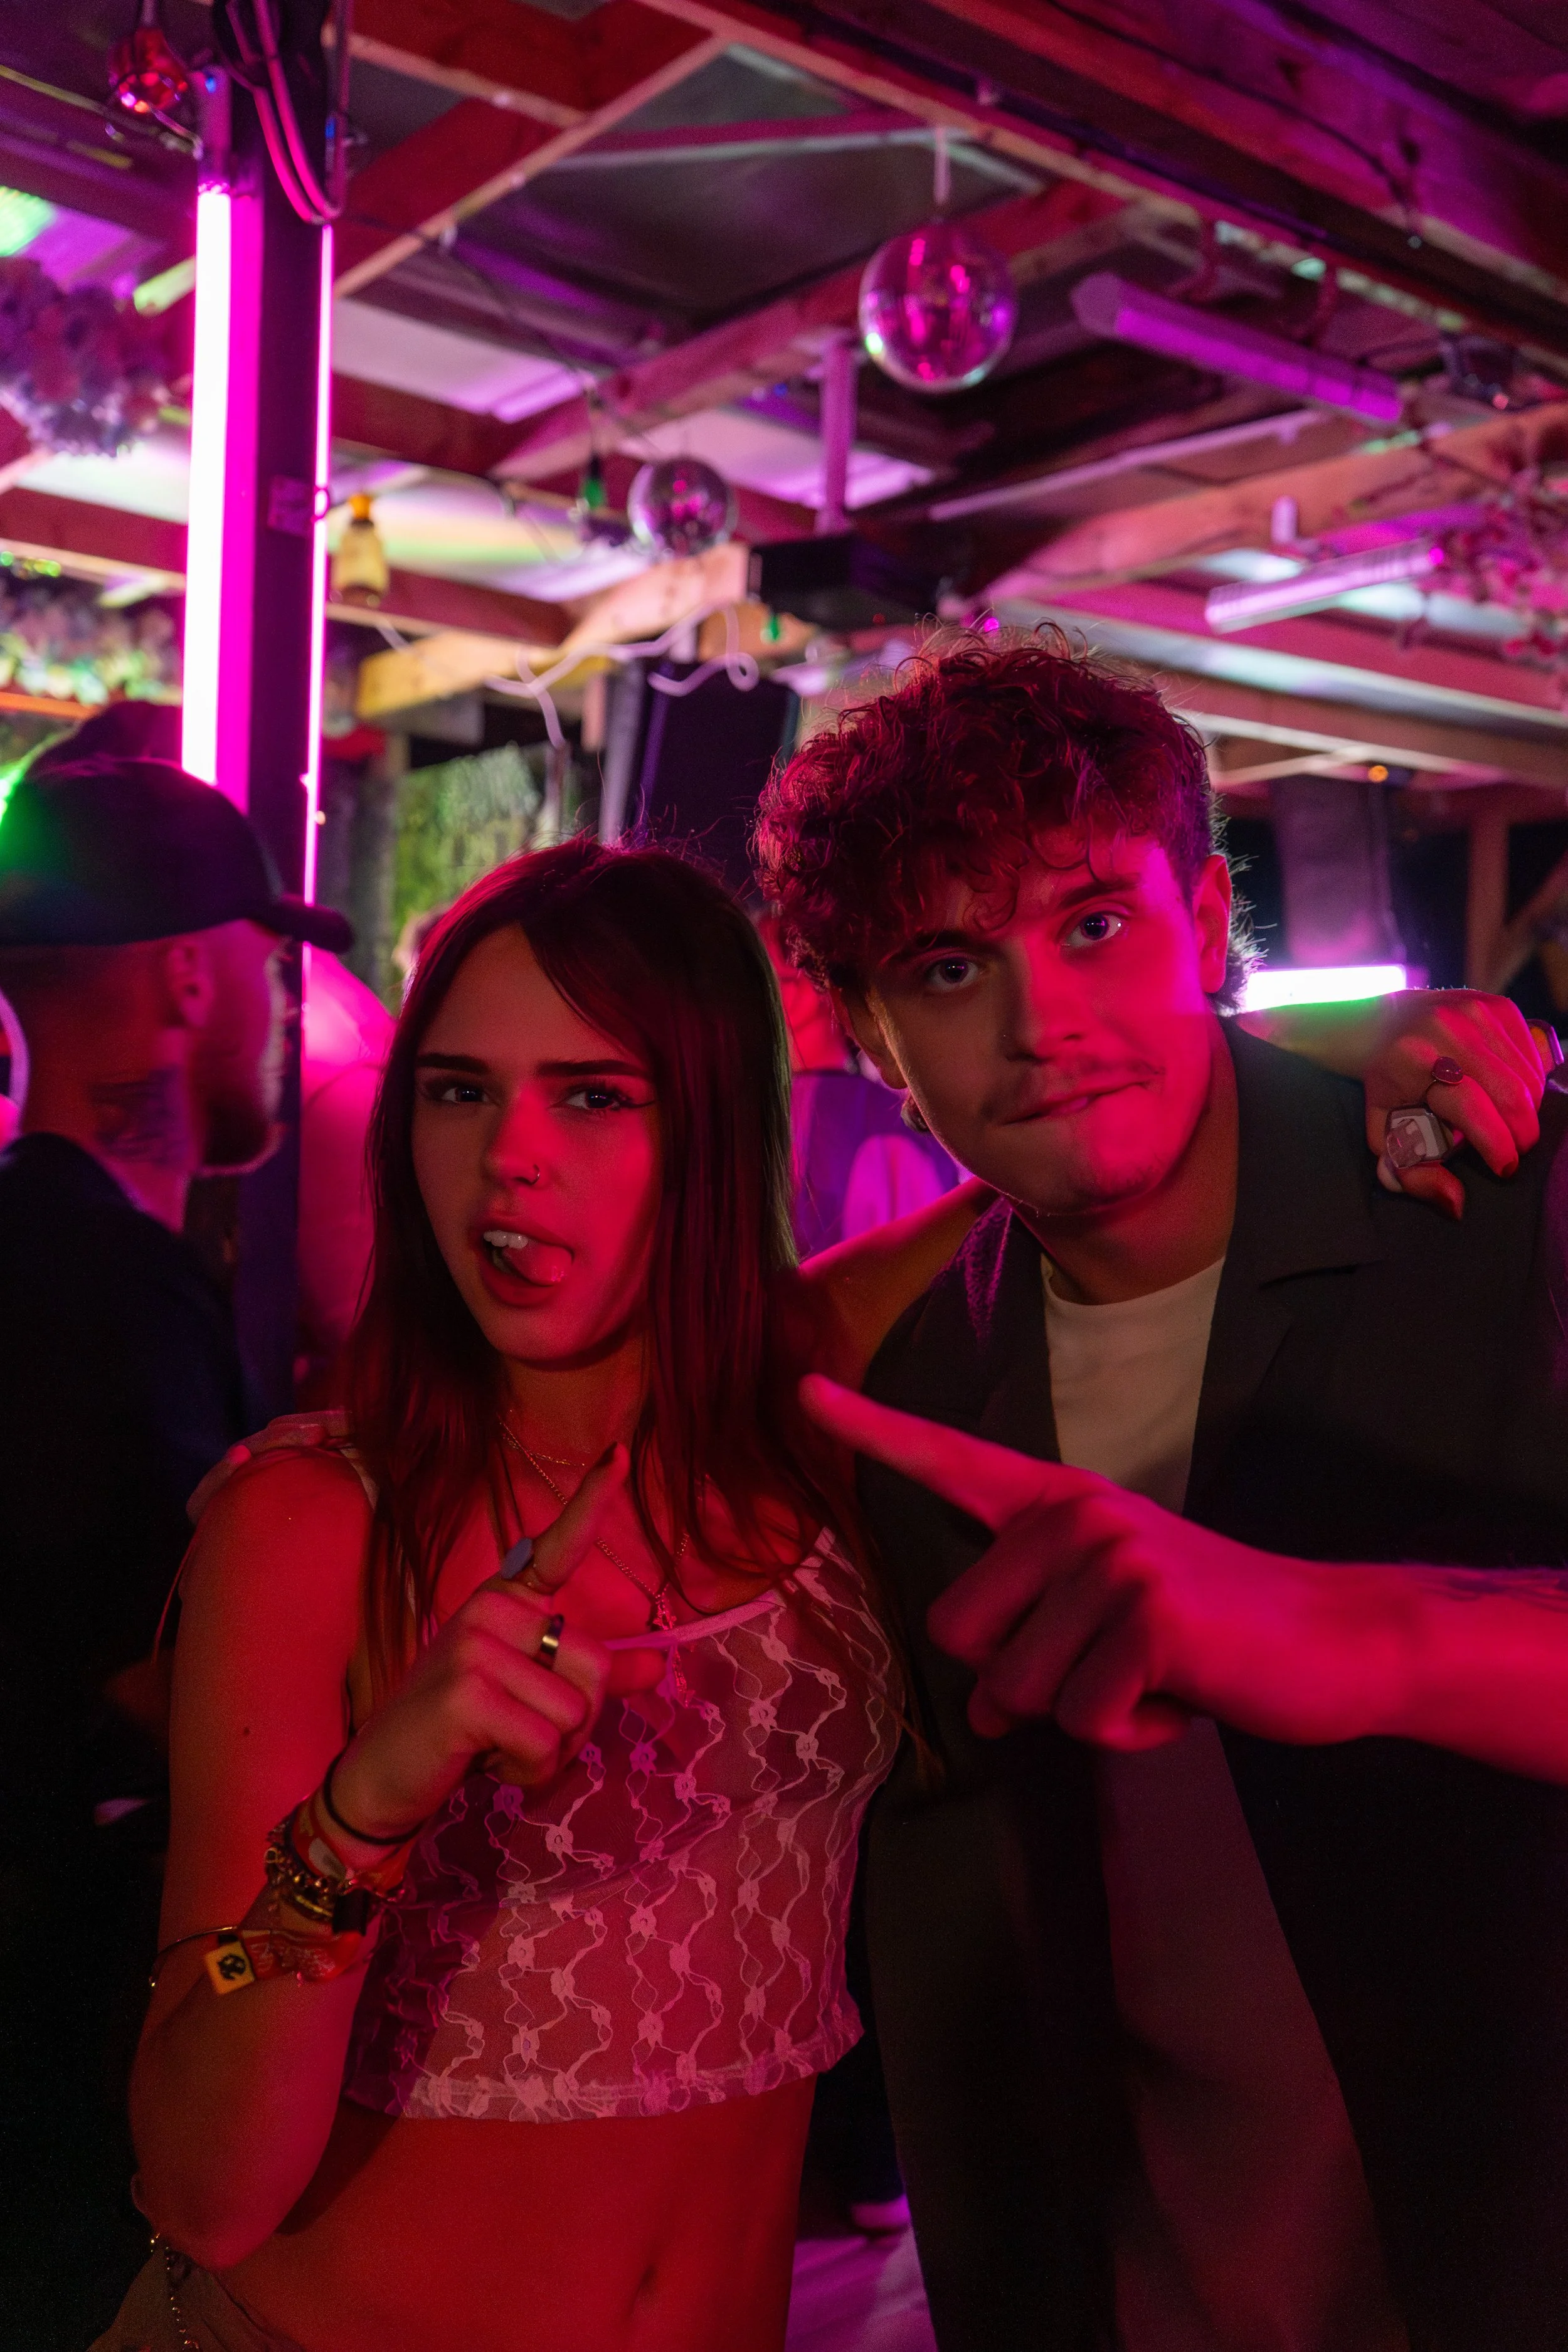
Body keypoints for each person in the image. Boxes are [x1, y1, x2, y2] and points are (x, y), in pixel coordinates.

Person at [106, 824, 1531, 2352]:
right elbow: (202, 2191)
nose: (509, 1157)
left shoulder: (805, 1412)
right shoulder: (319, 1521)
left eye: (593, 1096)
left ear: (718, 1135)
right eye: (460, 1090)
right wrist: (366, 1811)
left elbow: (1059, 1143)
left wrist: (1368, 1031)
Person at [755, 630, 1568, 2352]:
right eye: (951, 967)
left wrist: (1368, 1629)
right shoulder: (895, 1388)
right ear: (873, 1034)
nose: (1042, 1022)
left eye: (1092, 925)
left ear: (1202, 924)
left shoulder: (1493, 1208)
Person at [0, 756, 351, 2348]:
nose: (287, 1018)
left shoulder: (86, 1262)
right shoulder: (84, 1296)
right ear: (193, 978)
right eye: (274, 975)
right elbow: (147, 1691)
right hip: (51, 2076)